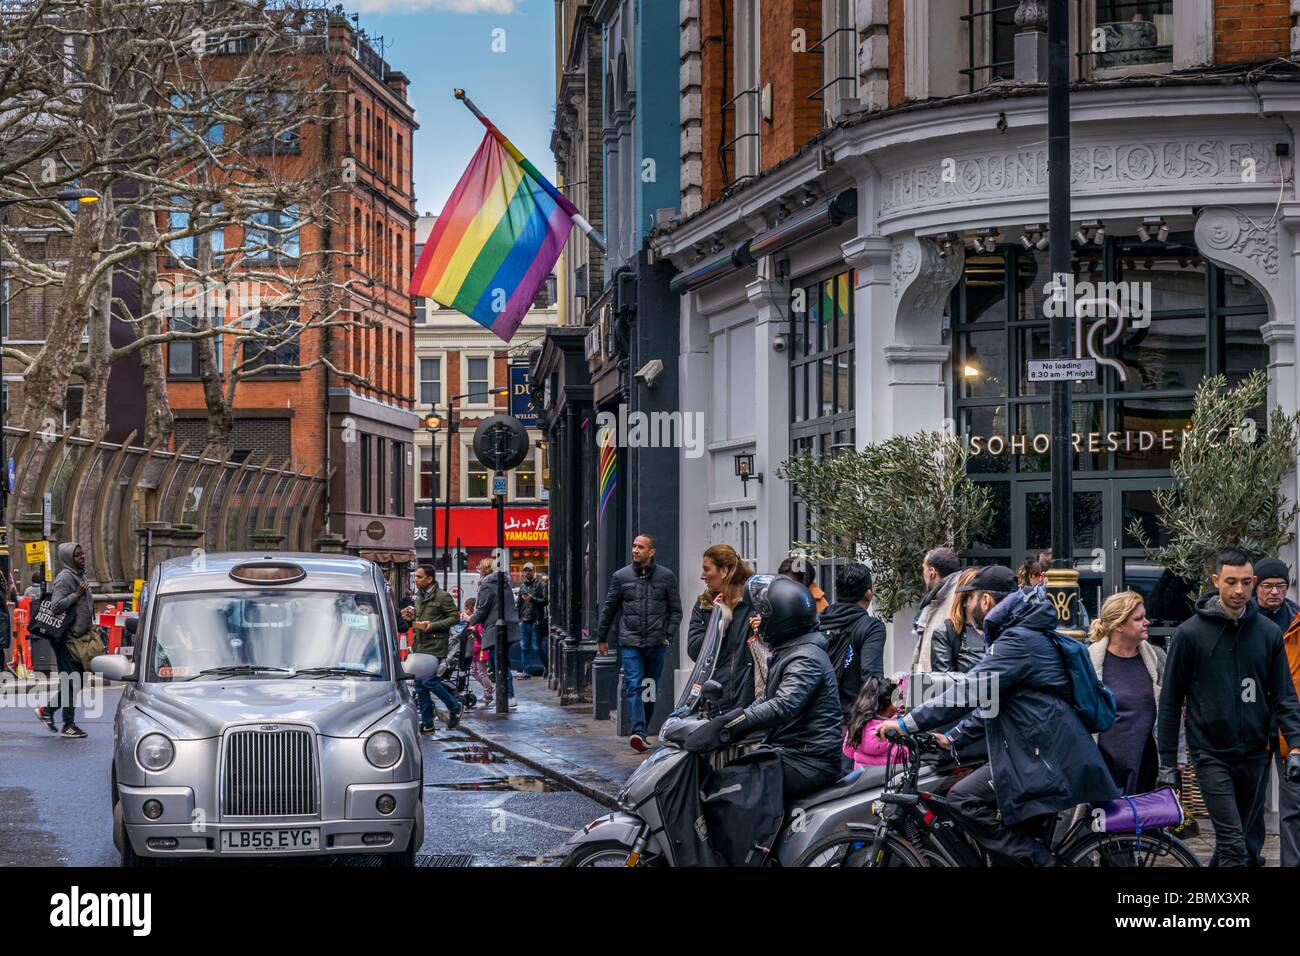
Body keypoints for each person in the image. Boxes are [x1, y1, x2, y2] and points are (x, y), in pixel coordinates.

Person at [880, 565, 1121, 866]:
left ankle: (1046, 863)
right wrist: (953, 738)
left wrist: (905, 723)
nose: (966, 608)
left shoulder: (1016, 641)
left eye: (969, 600)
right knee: (1008, 851)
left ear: (985, 601)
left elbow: (970, 691)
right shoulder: (1022, 635)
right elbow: (993, 702)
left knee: (962, 799)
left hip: (1041, 758)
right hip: (1042, 752)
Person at [1157, 548, 1300, 867]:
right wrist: (1167, 762)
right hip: (1211, 754)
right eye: (1231, 582)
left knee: (1239, 843)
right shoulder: (1190, 634)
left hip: (1255, 754)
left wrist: (1296, 747)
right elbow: (1170, 702)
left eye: (1246, 582)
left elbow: (1284, 696)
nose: (1239, 590)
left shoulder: (1268, 634)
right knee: (1235, 845)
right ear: (1215, 581)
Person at [686, 575, 843, 801]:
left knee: (731, 792)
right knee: (728, 775)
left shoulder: (806, 658)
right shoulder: (791, 649)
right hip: (793, 753)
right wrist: (728, 722)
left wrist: (735, 724)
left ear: (781, 619)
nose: (758, 619)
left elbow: (782, 705)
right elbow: (769, 698)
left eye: (763, 615)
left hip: (810, 761)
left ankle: (748, 838)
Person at [596, 534, 683, 752]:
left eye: (640, 547)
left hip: (657, 642)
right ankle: (639, 731)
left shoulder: (666, 577)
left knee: (649, 686)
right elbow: (609, 608)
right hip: (631, 642)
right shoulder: (621, 577)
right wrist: (601, 637)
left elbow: (676, 611)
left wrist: (668, 635)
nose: (635, 550)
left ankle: (643, 728)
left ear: (651, 551)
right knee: (634, 685)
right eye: (633, 546)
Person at [1087, 591, 1171, 794]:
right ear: (1118, 626)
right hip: (1105, 766)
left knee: (1146, 823)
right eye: (1139, 618)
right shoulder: (1090, 662)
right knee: (1109, 824)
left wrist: (1175, 757)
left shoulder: (1156, 658)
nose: (1147, 622)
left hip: (1147, 763)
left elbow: (1170, 708)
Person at [686, 544, 756, 716]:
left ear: (724, 571)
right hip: (716, 698)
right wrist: (719, 623)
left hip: (749, 699)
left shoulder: (754, 603)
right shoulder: (705, 605)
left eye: (706, 569)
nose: (702, 576)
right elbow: (695, 651)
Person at [817, 563, 886, 726]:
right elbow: (871, 678)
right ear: (869, 594)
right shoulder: (871, 627)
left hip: (814, 721)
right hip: (849, 722)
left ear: (835, 589)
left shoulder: (818, 621)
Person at [36, 542, 93, 738]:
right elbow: (56, 606)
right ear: (69, 558)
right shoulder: (65, 578)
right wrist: (76, 594)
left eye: (82, 553)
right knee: (72, 682)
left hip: (80, 639)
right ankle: (67, 724)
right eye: (77, 555)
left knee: (77, 681)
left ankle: (47, 711)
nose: (82, 557)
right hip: (67, 640)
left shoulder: (79, 575)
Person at [410, 563, 461, 735]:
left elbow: (454, 617)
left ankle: (455, 706)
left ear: (429, 579)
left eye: (419, 577)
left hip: (435, 644)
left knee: (428, 681)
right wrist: (410, 616)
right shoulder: (418, 596)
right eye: (416, 576)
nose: (416, 579)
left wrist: (433, 626)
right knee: (420, 685)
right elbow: (418, 617)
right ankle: (428, 723)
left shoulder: (443, 597)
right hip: (420, 645)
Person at [467, 558, 521, 710]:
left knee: (499, 663)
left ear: (484, 569)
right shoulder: (504, 582)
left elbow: (483, 608)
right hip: (509, 626)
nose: (477, 569)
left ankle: (508, 695)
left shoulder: (488, 585)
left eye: (479, 567)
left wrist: (471, 619)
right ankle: (506, 695)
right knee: (502, 662)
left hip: (495, 628)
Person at [911, 547, 961, 674]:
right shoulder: (952, 591)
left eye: (924, 569)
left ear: (932, 572)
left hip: (940, 683)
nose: (923, 574)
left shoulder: (950, 597)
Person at [843, 675, 907, 769]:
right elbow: (907, 756)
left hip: (864, 780)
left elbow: (848, 751)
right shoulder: (896, 729)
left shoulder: (858, 723)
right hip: (891, 781)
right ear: (891, 704)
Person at [931, 566, 986, 673]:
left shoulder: (1001, 629)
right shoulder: (947, 633)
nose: (986, 600)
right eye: (980, 596)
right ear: (965, 600)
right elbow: (945, 683)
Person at [516, 563, 549, 677]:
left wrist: (532, 599)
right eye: (525, 571)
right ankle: (526, 671)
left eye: (529, 570)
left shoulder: (540, 585)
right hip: (524, 621)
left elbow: (545, 601)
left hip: (536, 620)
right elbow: (519, 604)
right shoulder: (522, 586)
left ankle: (548, 667)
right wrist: (518, 618)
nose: (527, 573)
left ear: (533, 571)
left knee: (536, 647)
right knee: (524, 647)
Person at [461, 599, 495, 707]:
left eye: (467, 609)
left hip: (480, 650)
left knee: (481, 672)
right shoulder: (472, 622)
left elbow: (481, 636)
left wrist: (473, 630)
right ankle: (488, 687)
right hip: (474, 650)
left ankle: (488, 691)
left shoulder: (478, 622)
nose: (465, 611)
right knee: (473, 671)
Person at [1253, 558, 1299, 631]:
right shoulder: (1241, 616)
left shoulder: (1297, 619)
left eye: (1280, 585)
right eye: (1267, 585)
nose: (1275, 592)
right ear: (1256, 587)